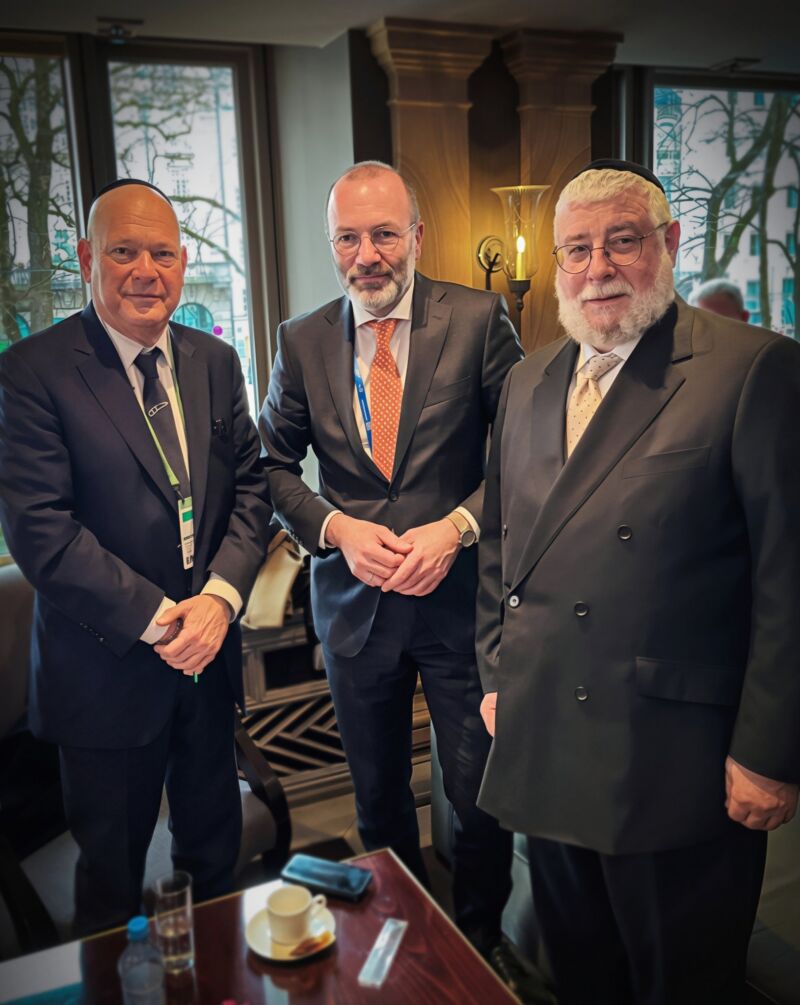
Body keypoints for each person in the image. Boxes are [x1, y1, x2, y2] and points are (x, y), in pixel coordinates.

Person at [476, 159, 800, 1005]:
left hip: (675, 762)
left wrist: (769, 753)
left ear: (670, 242)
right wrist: (497, 674)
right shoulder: (529, 378)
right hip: (549, 743)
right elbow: (501, 548)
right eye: (576, 249)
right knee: (578, 979)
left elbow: (788, 579)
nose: (598, 268)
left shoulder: (751, 369)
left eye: (622, 241)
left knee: (681, 986)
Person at [259, 161, 537, 992]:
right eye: (349, 237)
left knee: (478, 794)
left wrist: (456, 528)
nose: (367, 254)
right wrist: (336, 528)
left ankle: (480, 937)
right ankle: (400, 934)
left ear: (416, 235)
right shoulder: (300, 340)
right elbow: (269, 466)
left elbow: (527, 453)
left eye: (384, 234)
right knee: (378, 798)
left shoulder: (480, 319)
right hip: (354, 612)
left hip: (461, 607)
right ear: (332, 244)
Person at [0, 180, 272, 935]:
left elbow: (252, 489)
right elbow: (43, 534)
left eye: (162, 253)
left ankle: (217, 981)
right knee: (111, 888)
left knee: (216, 861)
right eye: (124, 252)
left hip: (207, 662)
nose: (145, 272)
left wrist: (218, 600)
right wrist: (164, 621)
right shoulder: (32, 373)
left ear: (183, 264)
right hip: (105, 675)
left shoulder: (215, 361)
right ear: (88, 259)